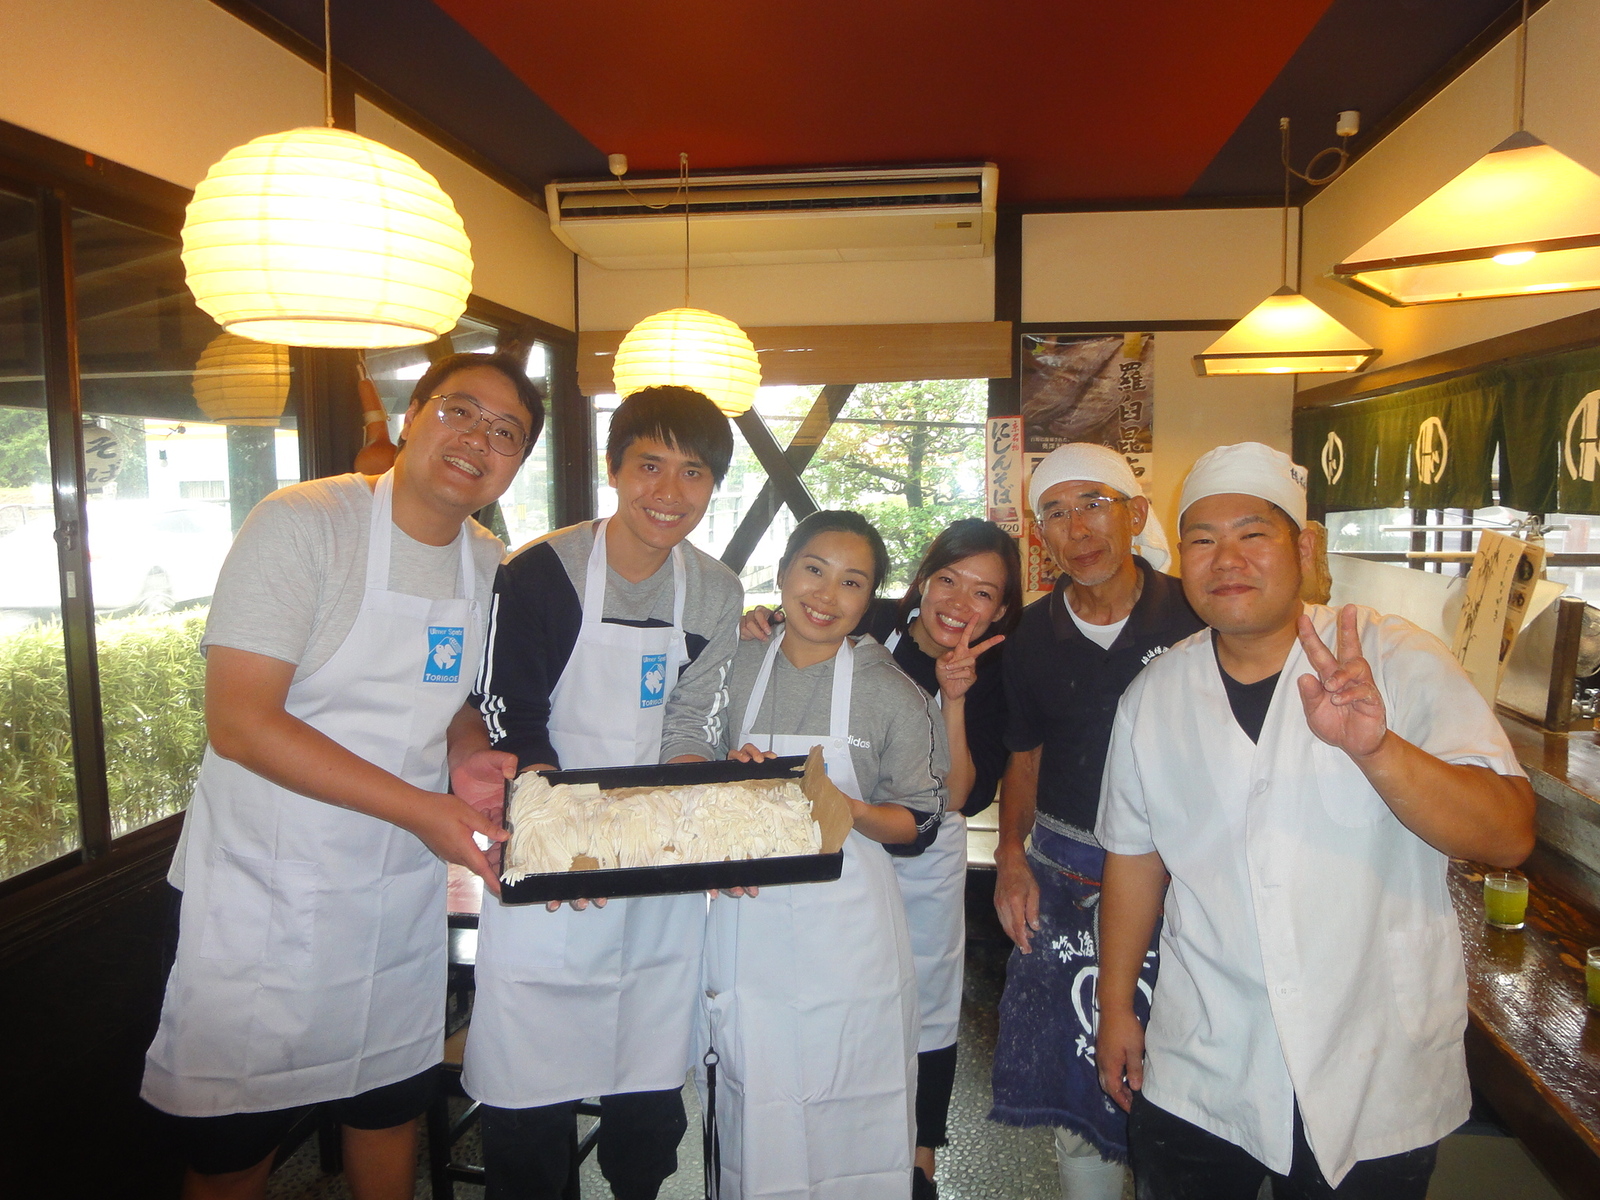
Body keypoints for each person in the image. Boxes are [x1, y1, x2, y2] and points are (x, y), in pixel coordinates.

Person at [142, 352, 544, 1200]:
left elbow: (453, 700)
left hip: (388, 893)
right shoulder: (302, 523)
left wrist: (466, 753)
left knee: (388, 1108)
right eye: (460, 411)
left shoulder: (483, 558)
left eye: (506, 432)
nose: (479, 438)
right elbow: (242, 720)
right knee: (234, 1146)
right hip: (262, 891)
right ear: (410, 417)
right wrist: (423, 809)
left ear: (517, 463)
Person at [1095, 442, 1537, 1198]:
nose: (1225, 557)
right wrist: (1113, 1008)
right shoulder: (1154, 698)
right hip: (1205, 1059)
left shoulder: (1397, 660)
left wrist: (1378, 748)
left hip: (1370, 1060)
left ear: (1302, 547)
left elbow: (1508, 833)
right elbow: (1135, 858)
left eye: (1252, 533)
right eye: (1201, 539)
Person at [465, 385, 743, 1200]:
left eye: (692, 472)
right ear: (616, 469)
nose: (669, 492)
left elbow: (693, 720)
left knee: (648, 1084)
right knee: (531, 1086)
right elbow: (511, 715)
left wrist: (694, 797)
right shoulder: (542, 573)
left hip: (653, 868)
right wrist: (568, 841)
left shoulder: (714, 592)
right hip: (551, 851)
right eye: (649, 465)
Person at [743, 516, 1020, 1200]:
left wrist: (954, 701)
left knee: (922, 1002)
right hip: (828, 848)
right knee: (833, 996)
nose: (960, 603)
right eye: (948, 580)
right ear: (921, 582)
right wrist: (766, 625)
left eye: (983, 593)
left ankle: (917, 1156)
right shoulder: (872, 623)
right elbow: (811, 611)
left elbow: (952, 796)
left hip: (919, 853)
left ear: (1003, 609)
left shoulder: (997, 670)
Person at [704, 509, 947, 1200]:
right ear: (781, 575)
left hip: (849, 937)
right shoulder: (732, 660)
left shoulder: (891, 690)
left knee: (853, 1092)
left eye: (852, 582)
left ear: (870, 600)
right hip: (744, 919)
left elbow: (921, 819)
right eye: (813, 570)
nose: (826, 594)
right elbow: (684, 754)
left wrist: (851, 808)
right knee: (756, 1088)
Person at [989, 442, 1202, 1200]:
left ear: (1135, 514)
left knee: (1180, 1069)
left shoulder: (1196, 612)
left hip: (1184, 880)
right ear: (1037, 533)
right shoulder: (1031, 637)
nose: (1075, 528)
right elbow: (1025, 757)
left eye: (1092, 505)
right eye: (1054, 512)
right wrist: (1011, 858)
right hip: (1063, 868)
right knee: (1078, 1075)